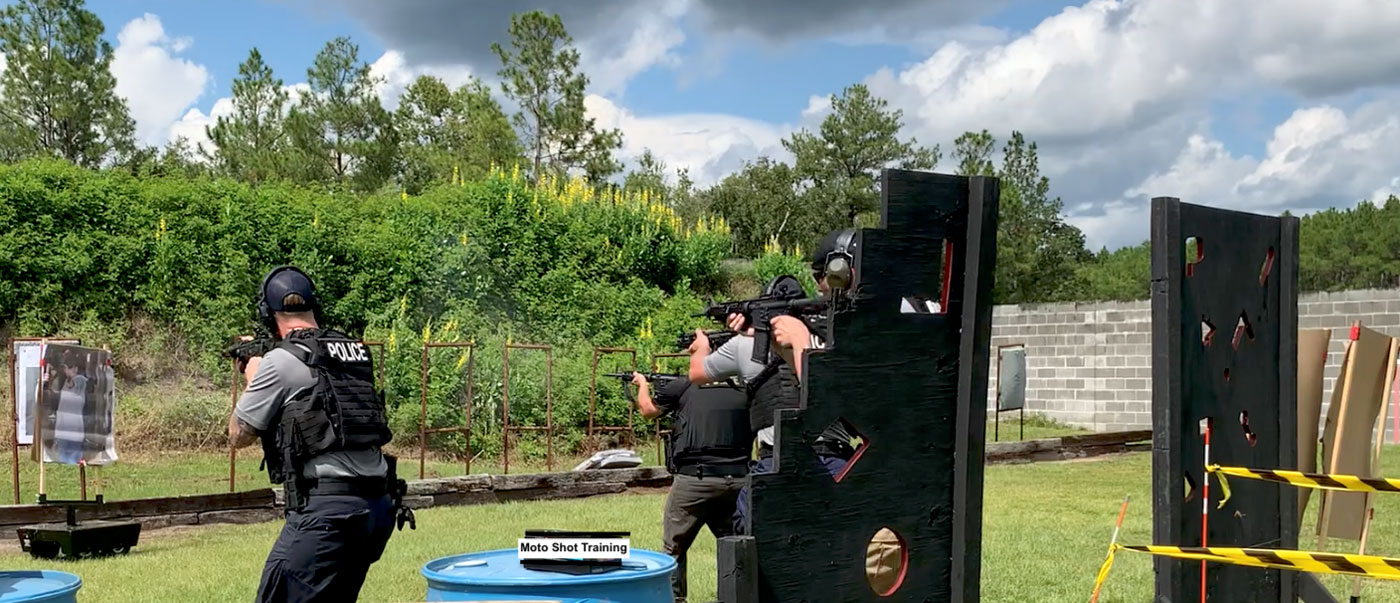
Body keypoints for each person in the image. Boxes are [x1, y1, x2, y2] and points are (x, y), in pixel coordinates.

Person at [228, 265, 409, 603]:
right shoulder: (355, 351)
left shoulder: (278, 361)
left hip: (327, 513)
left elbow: (239, 434)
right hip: (376, 508)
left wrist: (254, 374)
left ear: (268, 313)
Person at [687, 229, 862, 533]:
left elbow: (697, 373)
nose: (821, 287)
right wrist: (776, 340)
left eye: (823, 275)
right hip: (836, 455)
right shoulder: (840, 329)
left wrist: (797, 339)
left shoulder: (842, 331)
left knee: (749, 525)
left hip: (804, 458)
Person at [631, 372, 750, 603]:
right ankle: (739, 596)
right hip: (738, 479)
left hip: (695, 479)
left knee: (673, 546)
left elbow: (647, 410)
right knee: (737, 545)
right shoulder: (746, 387)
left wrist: (642, 384)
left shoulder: (685, 386)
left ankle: (675, 599)